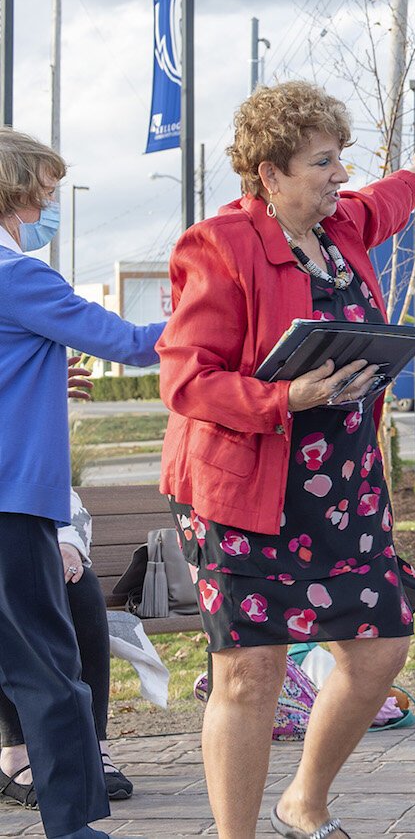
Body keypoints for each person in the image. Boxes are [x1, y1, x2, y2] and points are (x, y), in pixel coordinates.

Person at [157, 82, 415, 839]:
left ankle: (303, 800)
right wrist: (284, 398)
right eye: (322, 162)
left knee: (382, 646)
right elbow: (186, 378)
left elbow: (389, 199)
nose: (339, 174)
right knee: (250, 673)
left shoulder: (343, 222)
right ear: (269, 173)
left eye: (340, 158)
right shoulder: (216, 246)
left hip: (343, 488)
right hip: (245, 488)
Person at [0, 129, 162, 839]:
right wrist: (227, 318)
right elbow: (130, 343)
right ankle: (73, 827)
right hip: (11, 501)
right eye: (49, 185)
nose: (53, 199)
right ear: (20, 185)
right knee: (49, 669)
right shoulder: (21, 276)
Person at [0, 487, 136, 809]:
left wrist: (68, 545)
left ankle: (93, 748)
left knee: (80, 585)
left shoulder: (24, 446)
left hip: (27, 553)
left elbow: (67, 501)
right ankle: (15, 754)